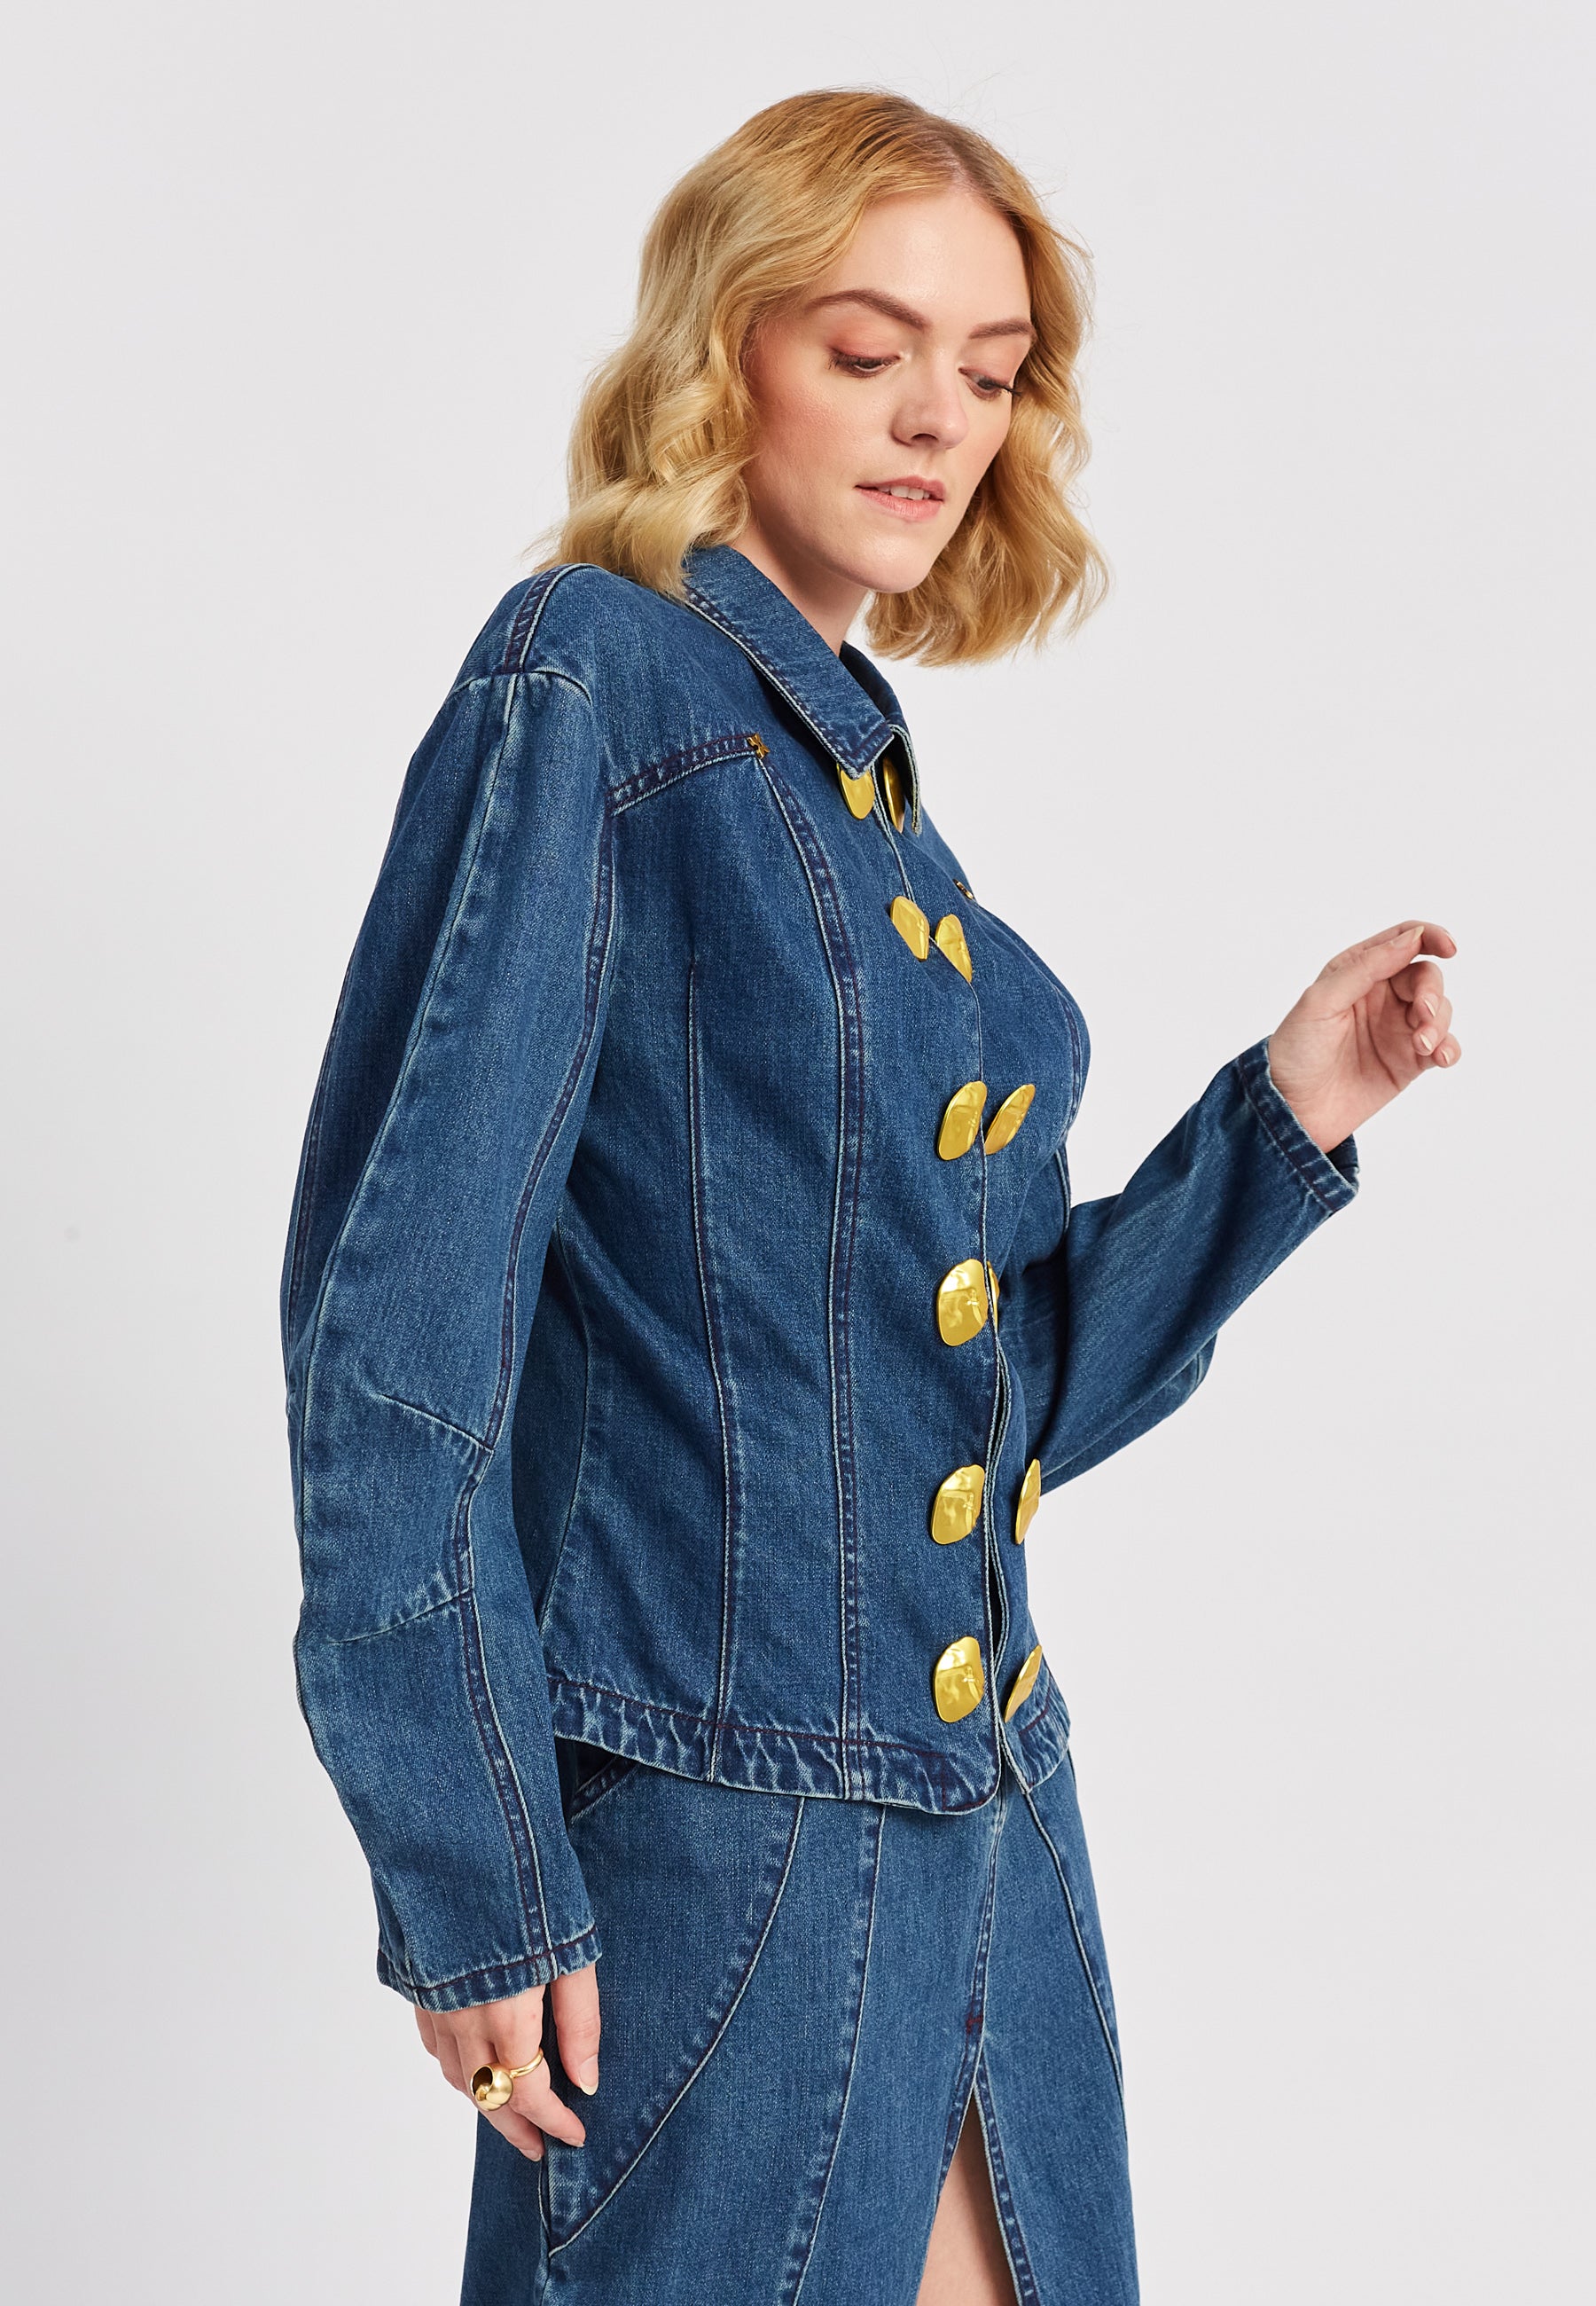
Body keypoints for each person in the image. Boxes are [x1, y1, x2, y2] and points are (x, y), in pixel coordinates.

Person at [278, 89, 1459, 2306]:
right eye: (869, 349)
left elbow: (983, 1414)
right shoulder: (596, 675)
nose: (940, 421)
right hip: (717, 1867)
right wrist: (471, 1867)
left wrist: (1289, 1118)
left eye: (990, 374)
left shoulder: (863, 796)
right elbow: (396, 1344)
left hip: (991, 1856)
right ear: (721, 344)